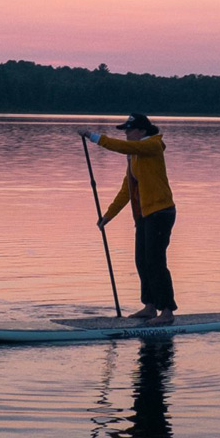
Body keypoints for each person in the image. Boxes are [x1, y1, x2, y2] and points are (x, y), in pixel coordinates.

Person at [79, 114, 178, 324]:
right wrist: (108, 215)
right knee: (142, 261)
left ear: (142, 131)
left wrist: (93, 136)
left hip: (160, 212)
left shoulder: (152, 146)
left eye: (129, 130)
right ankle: (150, 307)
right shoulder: (134, 155)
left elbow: (122, 147)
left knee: (155, 261)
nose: (126, 133)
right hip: (143, 215)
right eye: (125, 130)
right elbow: (127, 189)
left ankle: (167, 311)